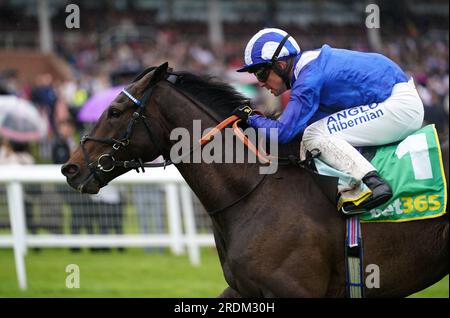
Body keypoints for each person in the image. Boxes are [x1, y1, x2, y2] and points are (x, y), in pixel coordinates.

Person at [235, 28, 424, 214]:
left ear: (281, 65)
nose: (260, 83)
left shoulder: (309, 77)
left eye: (260, 73)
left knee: (314, 134)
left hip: (399, 105)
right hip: (394, 98)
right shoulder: (308, 67)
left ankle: (372, 184)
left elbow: (282, 133)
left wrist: (252, 117)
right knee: (313, 132)